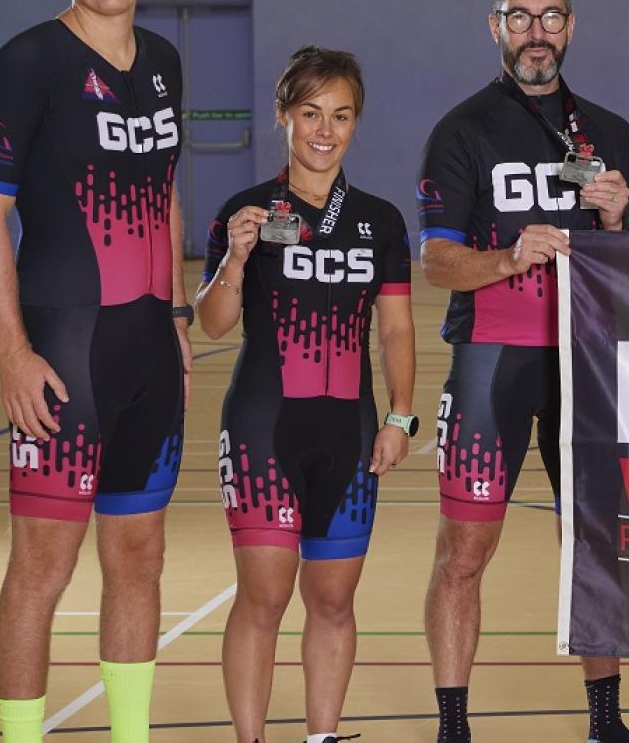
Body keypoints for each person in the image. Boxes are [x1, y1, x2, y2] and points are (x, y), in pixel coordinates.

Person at [0, 0, 188, 743]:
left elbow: (165, 192)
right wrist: (13, 354)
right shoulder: (27, 63)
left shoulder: (163, 61)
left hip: (143, 351)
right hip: (64, 349)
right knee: (43, 568)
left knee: (139, 559)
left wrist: (170, 320)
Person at [417, 0, 629, 743]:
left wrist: (620, 222)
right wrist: (510, 259)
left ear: (571, 27)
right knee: (466, 549)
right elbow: (437, 262)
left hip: (588, 365)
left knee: (591, 547)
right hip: (493, 358)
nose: (536, 34)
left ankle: (606, 722)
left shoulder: (611, 132)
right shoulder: (462, 131)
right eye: (520, 18)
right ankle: (454, 724)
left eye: (551, 17)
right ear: (496, 27)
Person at [198, 46, 416, 743]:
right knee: (263, 600)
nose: (325, 131)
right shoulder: (247, 213)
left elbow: (397, 330)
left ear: (357, 123)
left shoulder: (380, 222)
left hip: (348, 436)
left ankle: (322, 736)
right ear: (284, 116)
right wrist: (234, 258)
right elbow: (212, 322)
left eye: (341, 116)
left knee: (333, 600)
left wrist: (400, 417)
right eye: (311, 113)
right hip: (265, 430)